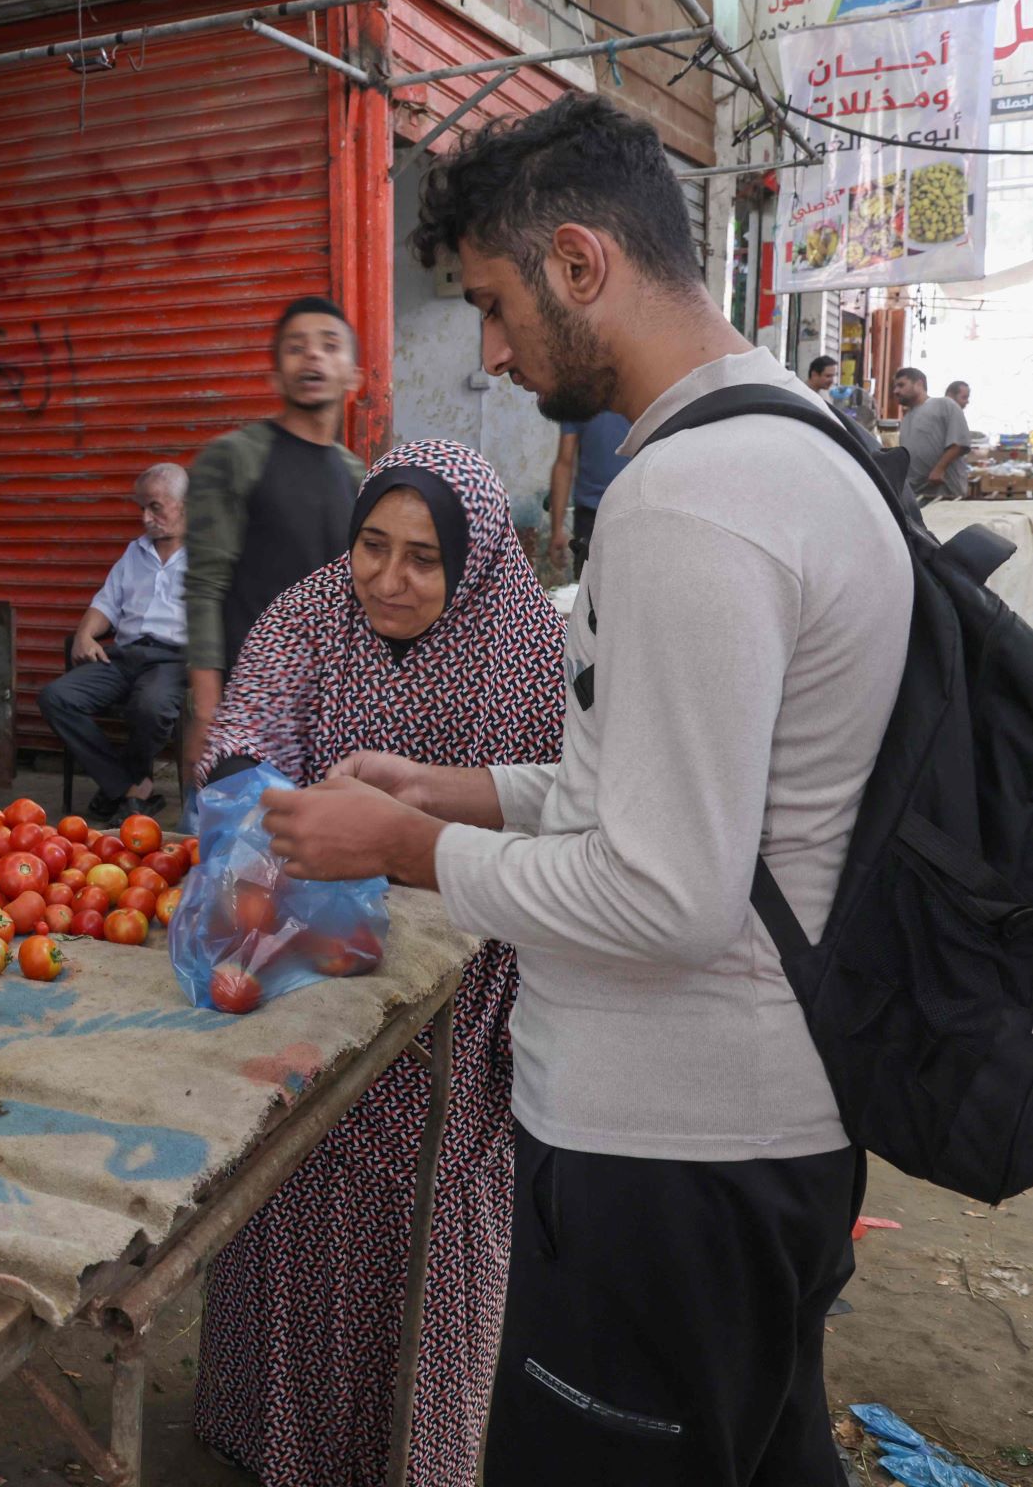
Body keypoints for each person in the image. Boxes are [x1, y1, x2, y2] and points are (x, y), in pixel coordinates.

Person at [258, 92, 906, 1484]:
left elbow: (665, 894)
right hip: (760, 1136)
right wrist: (460, 790)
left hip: (669, 1158)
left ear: (577, 262)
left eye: (493, 305)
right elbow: (663, 787)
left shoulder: (688, 500)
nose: (487, 355)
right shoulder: (784, 436)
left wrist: (402, 847)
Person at [193, 438, 565, 1487]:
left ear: (476, 560)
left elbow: (562, 816)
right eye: (371, 545)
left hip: (455, 1011)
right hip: (308, 975)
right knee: (285, 1199)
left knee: (422, 1240)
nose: (387, 580)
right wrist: (243, 786)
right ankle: (270, 1441)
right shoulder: (311, 610)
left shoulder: (529, 647)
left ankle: (409, 1460)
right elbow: (249, 719)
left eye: (422, 559)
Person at [183, 297, 365, 778]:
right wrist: (207, 708)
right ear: (275, 377)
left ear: (354, 376)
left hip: (331, 711)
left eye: (329, 346)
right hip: (249, 713)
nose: (313, 357)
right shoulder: (236, 458)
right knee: (238, 849)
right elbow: (204, 587)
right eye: (295, 347)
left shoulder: (357, 476)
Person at [37, 464, 191, 820]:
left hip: (173, 660)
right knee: (57, 697)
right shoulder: (134, 553)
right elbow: (106, 603)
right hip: (124, 657)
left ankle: (120, 789)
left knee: (150, 707)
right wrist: (85, 634)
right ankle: (132, 788)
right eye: (141, 508)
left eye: (155, 507)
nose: (145, 517)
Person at [546, 407, 629, 577]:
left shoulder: (640, 393)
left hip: (634, 512)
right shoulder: (579, 397)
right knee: (589, 591)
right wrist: (557, 530)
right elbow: (564, 463)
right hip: (590, 517)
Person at [895, 364, 970, 503]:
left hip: (945, 493)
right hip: (917, 494)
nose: (896, 391)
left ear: (919, 384)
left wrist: (939, 469)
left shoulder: (944, 405)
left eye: (901, 385)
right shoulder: (906, 418)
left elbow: (959, 444)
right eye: (895, 387)